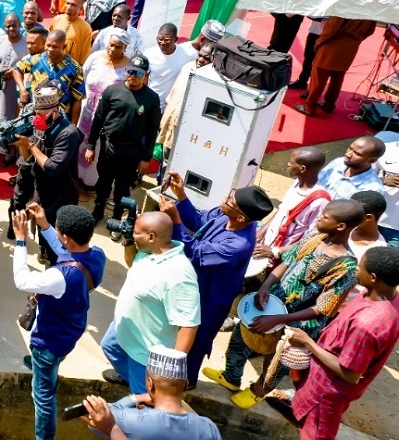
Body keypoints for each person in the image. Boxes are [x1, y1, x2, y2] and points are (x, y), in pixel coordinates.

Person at [205, 199, 366, 410]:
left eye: (325, 216)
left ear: (341, 226)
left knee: (278, 360)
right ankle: (231, 377)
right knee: (241, 336)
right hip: (273, 301)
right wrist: (266, 286)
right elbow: (287, 261)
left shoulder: (346, 267)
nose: (319, 217)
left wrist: (280, 319)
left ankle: (258, 391)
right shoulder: (314, 237)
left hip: (297, 323)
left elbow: (323, 309)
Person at [159, 178, 275, 389]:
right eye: (232, 194)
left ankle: (185, 383)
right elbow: (199, 221)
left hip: (211, 298)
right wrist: (181, 196)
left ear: (240, 216)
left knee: (196, 340)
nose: (225, 199)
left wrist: (175, 220)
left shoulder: (238, 244)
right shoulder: (227, 214)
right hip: (196, 285)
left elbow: (194, 251)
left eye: (231, 200)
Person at [11, 203, 105, 440]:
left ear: (67, 237)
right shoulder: (97, 256)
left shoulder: (59, 277)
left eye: (59, 230)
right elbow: (66, 251)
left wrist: (21, 240)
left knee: (43, 396)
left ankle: (44, 437)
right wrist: (44, 224)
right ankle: (43, 367)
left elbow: (22, 281)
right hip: (70, 329)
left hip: (49, 343)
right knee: (50, 364)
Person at [285, 246, 399, 439]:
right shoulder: (387, 298)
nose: (355, 270)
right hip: (322, 381)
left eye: (359, 267)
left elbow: (350, 374)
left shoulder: (366, 325)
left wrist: (308, 343)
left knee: (316, 434)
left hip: (326, 394)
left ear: (372, 277)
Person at [101, 212, 200, 393]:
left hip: (145, 353)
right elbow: (132, 262)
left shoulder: (180, 274)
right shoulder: (148, 251)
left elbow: (188, 325)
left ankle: (143, 390)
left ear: (151, 237)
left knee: (143, 408)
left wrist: (170, 370)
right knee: (109, 348)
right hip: (123, 330)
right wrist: (129, 242)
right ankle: (130, 378)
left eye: (135, 233)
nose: (131, 234)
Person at [82, 345, 223, 440]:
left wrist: (135, 398)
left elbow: (94, 417)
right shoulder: (208, 428)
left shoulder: (127, 419)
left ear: (150, 383)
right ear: (185, 385)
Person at [85, 55, 161, 224]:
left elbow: (152, 130)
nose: (133, 76)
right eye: (131, 71)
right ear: (126, 70)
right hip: (109, 146)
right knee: (103, 183)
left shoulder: (152, 98)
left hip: (132, 151)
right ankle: (98, 211)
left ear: (146, 75)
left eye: (139, 73)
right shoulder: (112, 91)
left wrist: (146, 158)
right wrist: (91, 145)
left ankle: (117, 217)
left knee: (122, 187)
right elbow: (98, 119)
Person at [11, 85, 84, 250]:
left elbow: (53, 168)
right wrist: (22, 144)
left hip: (61, 197)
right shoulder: (40, 126)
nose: (37, 118)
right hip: (42, 190)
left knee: (58, 240)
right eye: (36, 113)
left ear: (55, 110)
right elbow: (29, 159)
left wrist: (29, 145)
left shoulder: (68, 133)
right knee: (43, 231)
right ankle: (44, 250)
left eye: (41, 115)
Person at [255, 147, 331, 257]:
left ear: (302, 168)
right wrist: (262, 231)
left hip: (284, 256)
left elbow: (312, 239)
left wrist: (276, 252)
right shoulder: (297, 182)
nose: (288, 164)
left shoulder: (320, 201)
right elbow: (283, 211)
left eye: (291, 162)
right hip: (268, 245)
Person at [77, 28, 129, 189]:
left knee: (98, 149)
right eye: (111, 45)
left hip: (108, 118)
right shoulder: (95, 57)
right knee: (80, 145)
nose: (113, 49)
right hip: (86, 112)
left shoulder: (128, 67)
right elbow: (82, 76)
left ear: (125, 48)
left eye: (118, 47)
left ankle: (92, 183)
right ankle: (76, 177)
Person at [298, 17, 378, 116]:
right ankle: (329, 105)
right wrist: (356, 38)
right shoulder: (371, 8)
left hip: (332, 43)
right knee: (337, 77)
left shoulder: (346, 3)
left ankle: (309, 107)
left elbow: (333, 27)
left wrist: (320, 41)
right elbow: (370, 30)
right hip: (351, 45)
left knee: (319, 76)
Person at [13, 30, 85, 122]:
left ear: (64, 47)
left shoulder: (74, 68)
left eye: (55, 47)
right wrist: (23, 91)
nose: (50, 49)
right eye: (48, 45)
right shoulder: (36, 60)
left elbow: (77, 99)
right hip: (35, 116)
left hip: (60, 120)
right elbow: (17, 69)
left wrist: (74, 125)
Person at [155, 43, 215, 152]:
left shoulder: (212, 80)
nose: (200, 60)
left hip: (183, 136)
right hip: (166, 127)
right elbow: (172, 95)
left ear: (214, 60)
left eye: (206, 58)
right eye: (200, 55)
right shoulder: (188, 67)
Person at [317, 136, 386, 199]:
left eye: (357, 153)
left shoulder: (372, 190)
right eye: (350, 148)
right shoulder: (338, 163)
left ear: (372, 160)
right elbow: (316, 183)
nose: (348, 154)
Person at [48, 0, 93, 66]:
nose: (69, 7)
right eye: (67, 3)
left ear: (81, 8)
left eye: (73, 5)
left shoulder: (86, 28)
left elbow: (84, 56)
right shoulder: (56, 20)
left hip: (70, 69)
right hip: (51, 65)